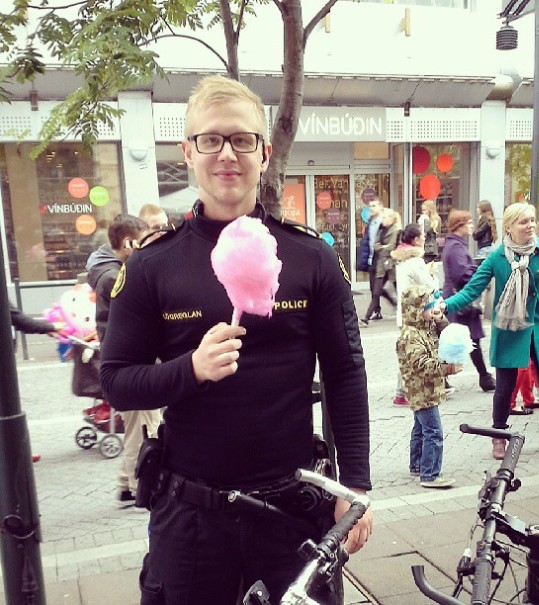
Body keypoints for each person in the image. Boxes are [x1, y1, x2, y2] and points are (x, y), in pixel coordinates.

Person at [99, 74, 372, 604]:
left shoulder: (310, 257)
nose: (227, 153)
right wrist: (191, 369)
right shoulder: (154, 264)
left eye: (242, 139)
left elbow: (346, 373)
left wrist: (355, 487)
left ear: (264, 152)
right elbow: (117, 382)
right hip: (192, 515)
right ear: (188, 151)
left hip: (293, 508)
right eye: (211, 139)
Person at [442, 203, 539, 459]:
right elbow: (472, 289)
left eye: (532, 220)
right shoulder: (497, 257)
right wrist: (445, 305)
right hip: (510, 328)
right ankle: (498, 435)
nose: (531, 225)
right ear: (509, 227)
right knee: (504, 389)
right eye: (523, 222)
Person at [86, 213, 162, 504]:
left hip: (128, 363)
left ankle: (125, 482)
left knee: (137, 426)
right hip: (132, 365)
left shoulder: (110, 271)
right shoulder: (115, 276)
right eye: (142, 240)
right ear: (128, 242)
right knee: (144, 428)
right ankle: (136, 486)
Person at [396, 285, 458, 488]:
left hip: (422, 390)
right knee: (433, 431)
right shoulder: (411, 336)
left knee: (420, 428)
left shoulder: (424, 326)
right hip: (421, 390)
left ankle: (416, 465)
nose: (433, 311)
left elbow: (445, 332)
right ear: (416, 310)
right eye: (429, 308)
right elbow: (422, 365)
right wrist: (447, 369)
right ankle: (430, 474)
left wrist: (439, 318)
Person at [441, 209, 496, 392]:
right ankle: (483, 377)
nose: (472, 226)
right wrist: (479, 271)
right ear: (460, 225)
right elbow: (462, 275)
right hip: (461, 301)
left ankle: (483, 377)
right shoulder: (456, 247)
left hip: (457, 300)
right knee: (463, 340)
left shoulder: (455, 244)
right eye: (469, 222)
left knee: (465, 340)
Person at [390, 223, 439, 406]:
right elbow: (430, 287)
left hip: (404, 313)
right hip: (418, 313)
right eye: (423, 236)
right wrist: (432, 274)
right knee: (417, 352)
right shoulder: (416, 262)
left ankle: (400, 393)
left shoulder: (401, 260)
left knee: (407, 351)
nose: (425, 239)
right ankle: (413, 391)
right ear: (416, 240)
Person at [360, 208, 400, 326]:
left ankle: (401, 307)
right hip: (381, 266)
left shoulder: (395, 230)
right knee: (377, 291)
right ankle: (366, 317)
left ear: (391, 219)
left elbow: (391, 247)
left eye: (385, 217)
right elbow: (375, 245)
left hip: (390, 266)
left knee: (399, 289)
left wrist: (383, 247)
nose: (382, 220)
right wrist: (383, 247)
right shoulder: (381, 230)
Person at [357, 198, 384, 320]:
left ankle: (368, 315)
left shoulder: (384, 223)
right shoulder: (370, 223)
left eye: (374, 206)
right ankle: (377, 311)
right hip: (372, 259)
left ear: (380, 207)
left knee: (379, 288)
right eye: (370, 206)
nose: (371, 208)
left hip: (382, 259)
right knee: (374, 287)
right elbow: (367, 243)